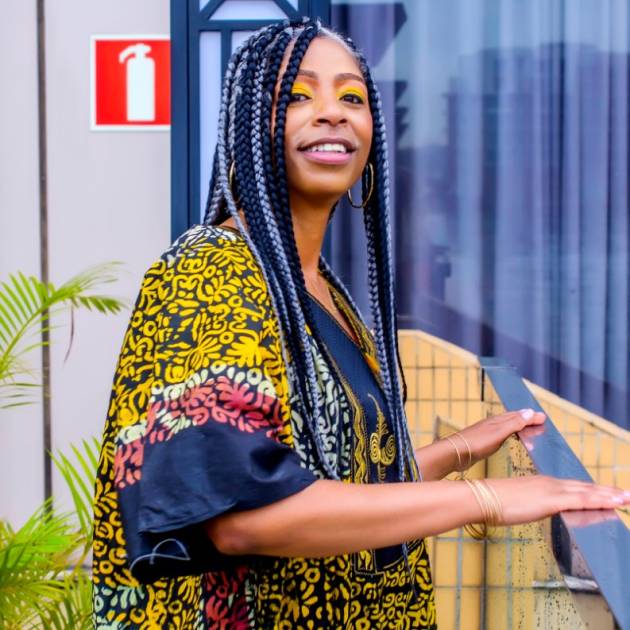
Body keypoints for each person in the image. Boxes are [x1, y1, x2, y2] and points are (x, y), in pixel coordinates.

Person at [92, 18, 630, 629]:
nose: (332, 113)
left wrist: (457, 450)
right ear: (248, 129)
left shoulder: (321, 289)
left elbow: (330, 482)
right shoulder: (210, 272)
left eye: (352, 97)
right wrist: (486, 497)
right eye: (298, 95)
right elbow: (241, 514)